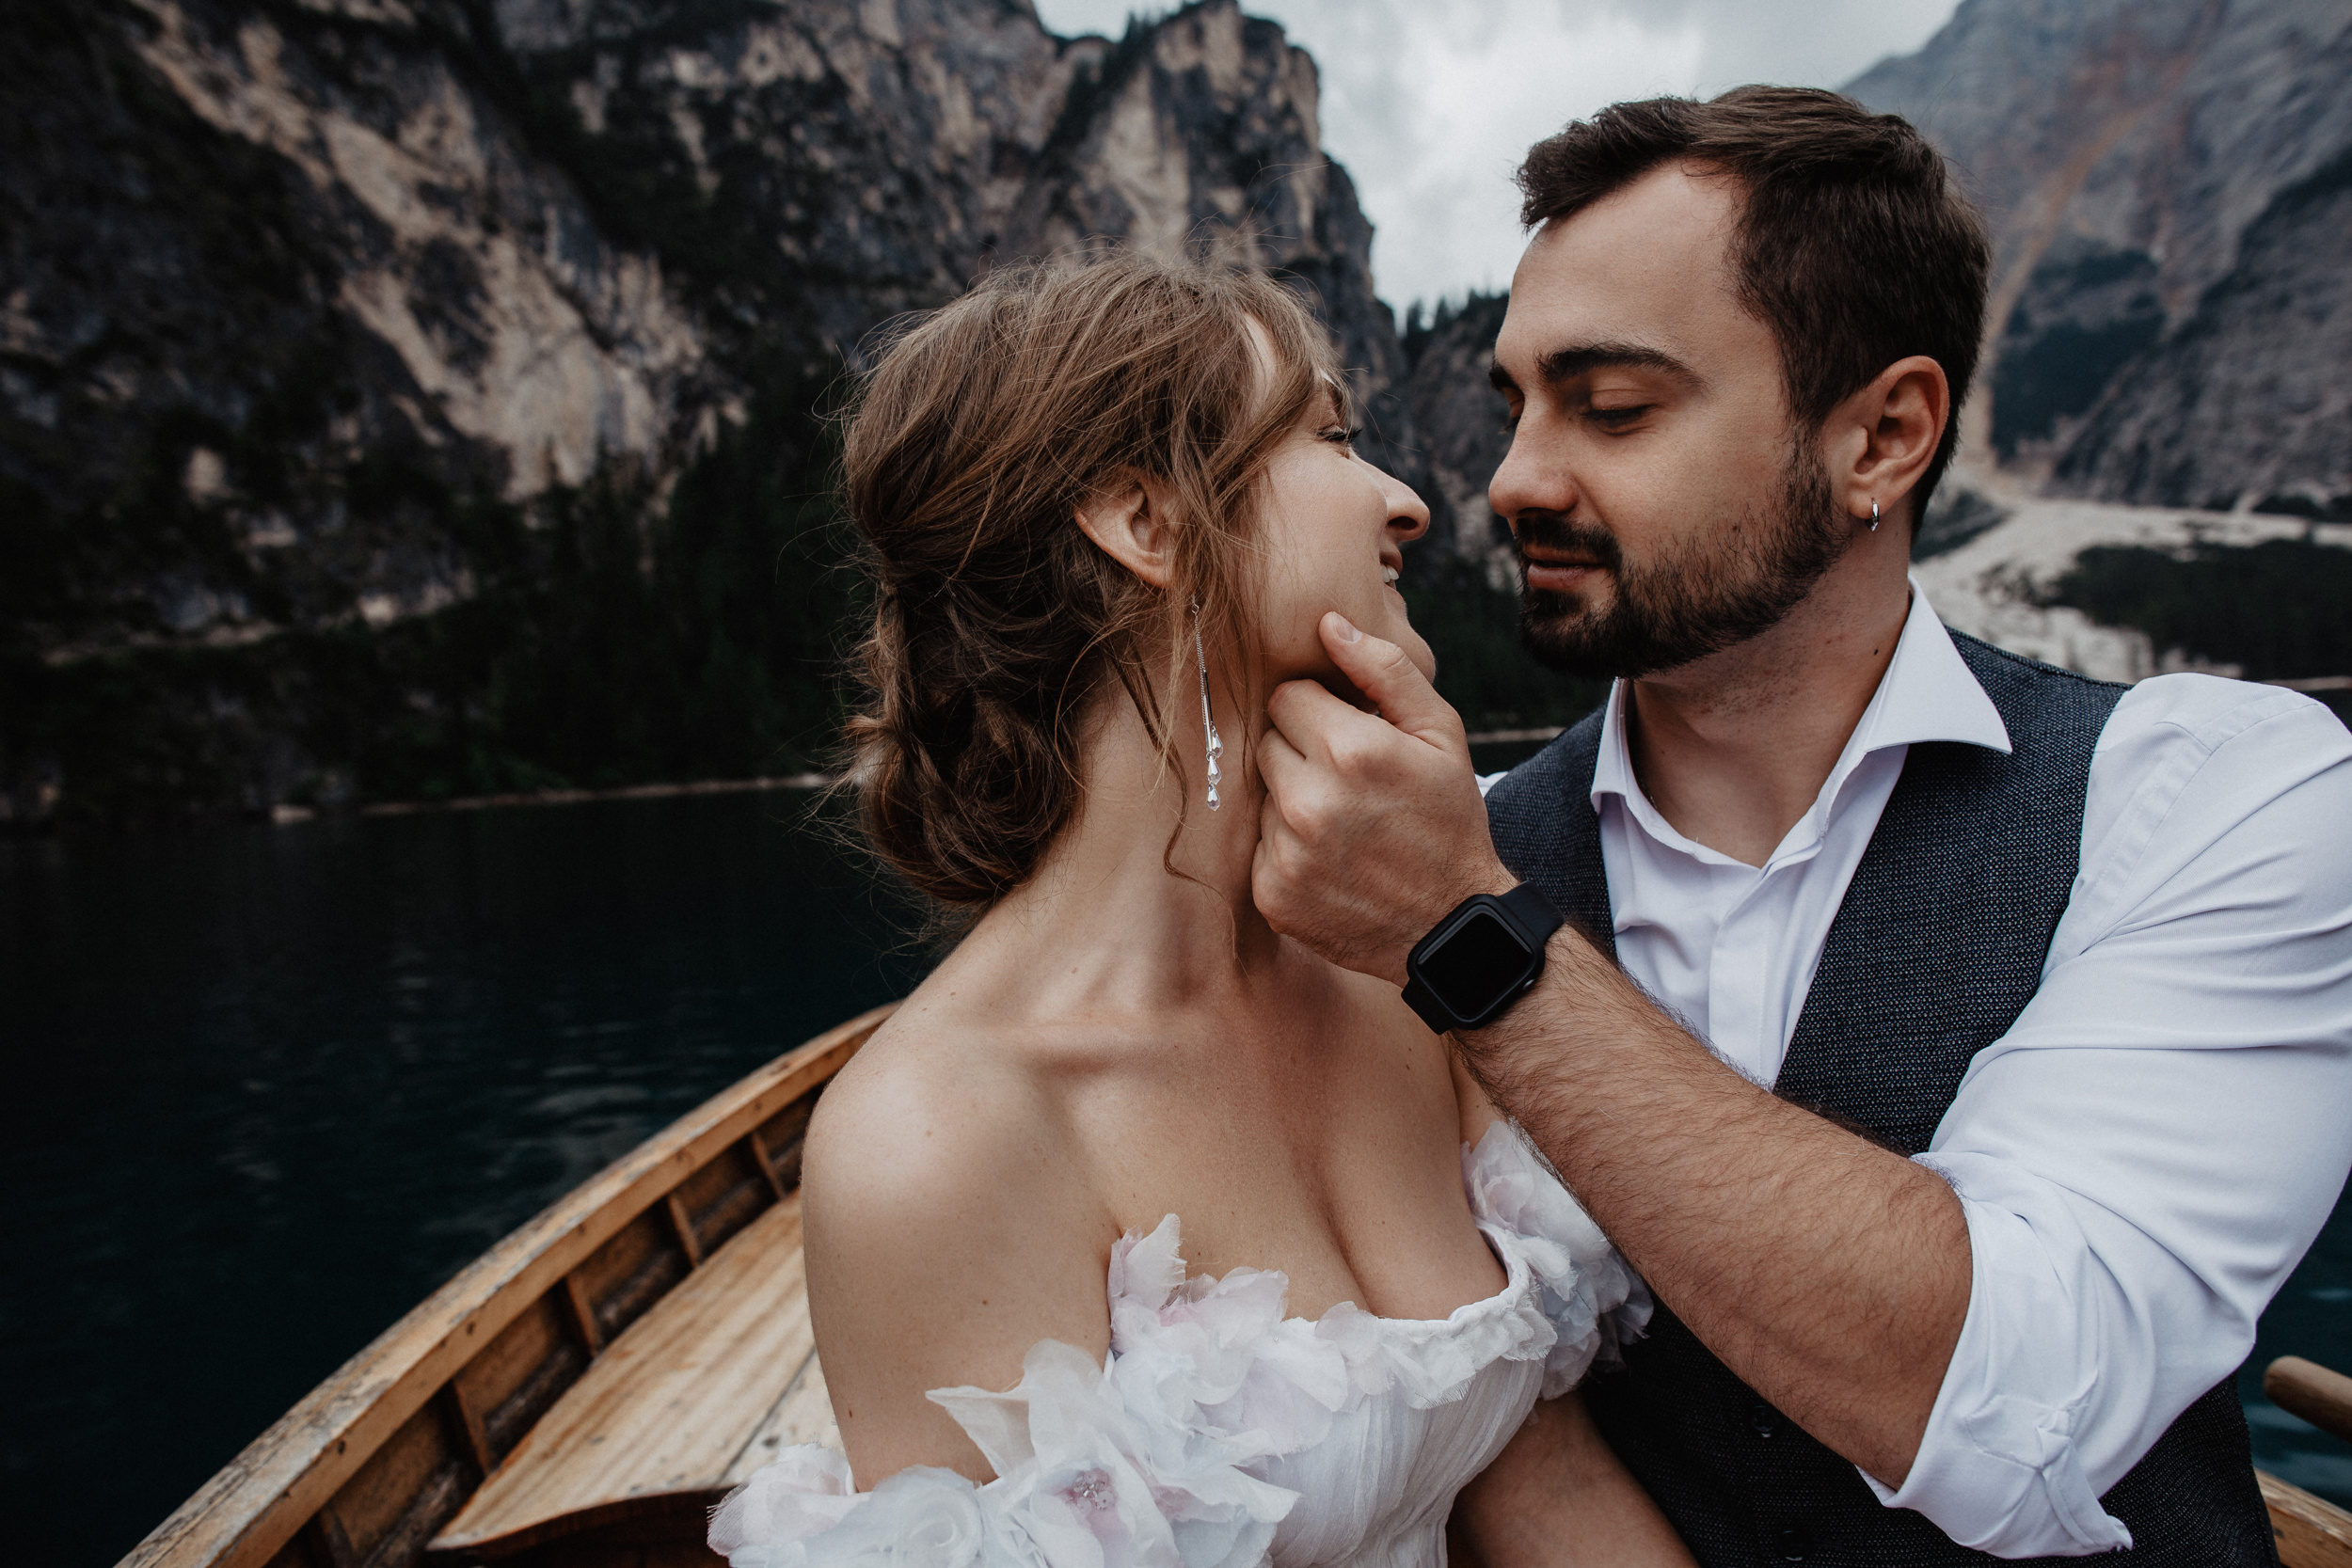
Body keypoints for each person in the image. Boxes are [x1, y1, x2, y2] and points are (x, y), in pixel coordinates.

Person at [1249, 87, 2352, 1564]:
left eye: (1614, 406)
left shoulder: (2217, 796)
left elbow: (2024, 1405)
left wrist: (1469, 942)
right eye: (1514, 404)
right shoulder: (1447, 858)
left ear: (1883, 438)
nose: (1512, 478)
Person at [706, 255, 1696, 1567]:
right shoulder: (937, 1141)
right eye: (1334, 438)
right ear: (1147, 521)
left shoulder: (1407, 972)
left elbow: (1547, 1487)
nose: (1404, 501)